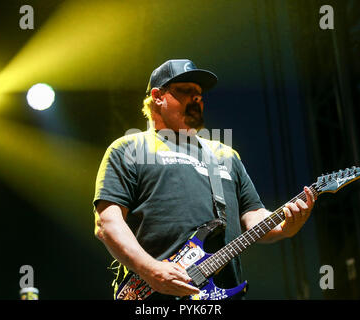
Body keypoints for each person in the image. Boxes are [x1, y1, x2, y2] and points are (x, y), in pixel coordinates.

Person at [93, 59, 316, 299]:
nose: (196, 99)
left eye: (199, 94)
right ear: (158, 96)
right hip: (155, 296)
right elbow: (107, 223)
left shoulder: (224, 154)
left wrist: (284, 226)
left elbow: (254, 217)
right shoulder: (129, 148)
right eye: (186, 91)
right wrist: (150, 269)